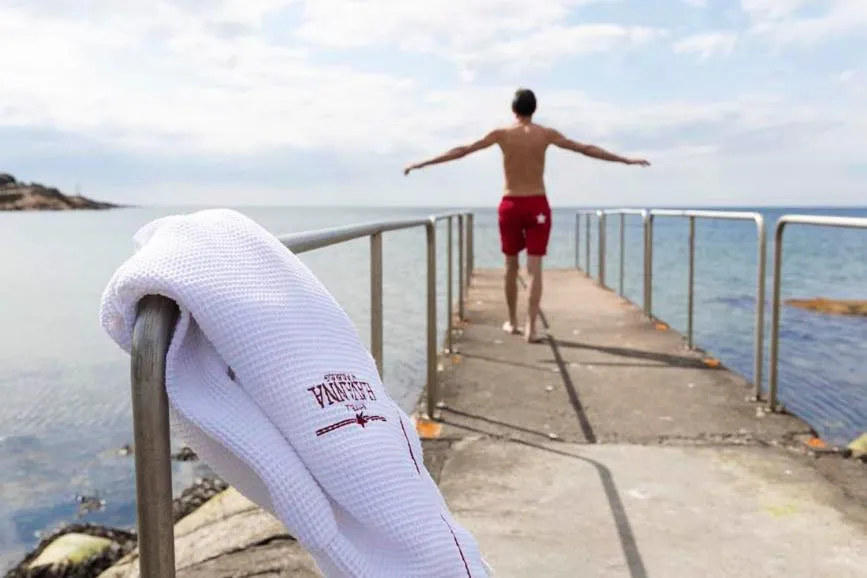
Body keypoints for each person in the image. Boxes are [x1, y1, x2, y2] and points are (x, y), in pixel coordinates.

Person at [404, 88, 650, 342]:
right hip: (537, 205)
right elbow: (585, 148)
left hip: (510, 205)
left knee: (511, 266)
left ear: (513, 110)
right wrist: (626, 160)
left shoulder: (502, 134)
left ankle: (512, 321)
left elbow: (463, 150)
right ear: (534, 110)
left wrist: (422, 163)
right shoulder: (545, 134)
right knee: (535, 269)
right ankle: (532, 327)